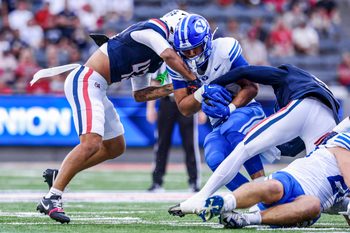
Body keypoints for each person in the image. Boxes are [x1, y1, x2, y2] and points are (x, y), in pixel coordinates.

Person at [31, 9, 196, 224]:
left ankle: (59, 175)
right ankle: (51, 197)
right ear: (175, 26)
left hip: (99, 87)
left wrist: (174, 87)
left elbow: (140, 94)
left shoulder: (155, 57)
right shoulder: (152, 29)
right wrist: (192, 78)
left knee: (116, 147)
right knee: (91, 143)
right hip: (86, 80)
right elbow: (168, 54)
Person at [168, 64, 340, 218]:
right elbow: (292, 148)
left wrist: (214, 84)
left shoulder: (287, 74)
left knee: (244, 147)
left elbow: (245, 71)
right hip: (328, 119)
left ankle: (201, 197)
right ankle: (344, 204)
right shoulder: (316, 85)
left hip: (305, 105)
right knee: (322, 186)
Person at [168, 14, 271, 194]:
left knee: (233, 129)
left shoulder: (224, 50)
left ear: (207, 40)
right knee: (214, 158)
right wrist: (202, 92)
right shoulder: (178, 63)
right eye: (186, 51)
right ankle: (254, 198)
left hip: (246, 110)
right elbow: (184, 108)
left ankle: (261, 185)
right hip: (218, 122)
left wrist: (230, 108)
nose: (191, 55)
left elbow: (252, 87)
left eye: (195, 48)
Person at [197, 116, 350, 228]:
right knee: (274, 187)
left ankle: (245, 219)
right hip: (294, 179)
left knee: (314, 205)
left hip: (303, 206)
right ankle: (223, 203)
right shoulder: (344, 141)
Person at [146, 64, 204, 192]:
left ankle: (194, 182)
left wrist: (201, 109)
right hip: (167, 102)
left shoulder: (188, 59)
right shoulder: (162, 60)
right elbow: (155, 82)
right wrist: (150, 108)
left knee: (190, 144)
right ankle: (157, 181)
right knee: (162, 143)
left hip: (187, 100)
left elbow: (198, 84)